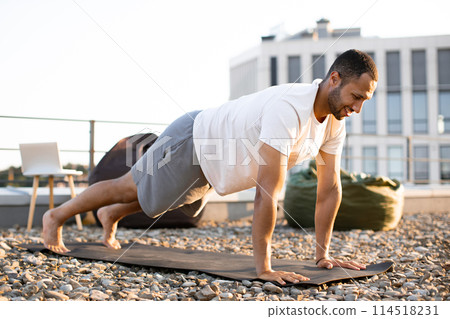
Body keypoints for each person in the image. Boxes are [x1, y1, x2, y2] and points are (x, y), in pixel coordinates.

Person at [43, 49, 378, 285]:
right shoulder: (289, 109)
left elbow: (330, 188)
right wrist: (263, 268)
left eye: (364, 99)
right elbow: (268, 191)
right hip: (192, 138)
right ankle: (56, 217)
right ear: (334, 78)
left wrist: (323, 255)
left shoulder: (335, 121)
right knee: (128, 185)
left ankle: (110, 215)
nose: (358, 108)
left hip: (215, 158)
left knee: (167, 203)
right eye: (356, 96)